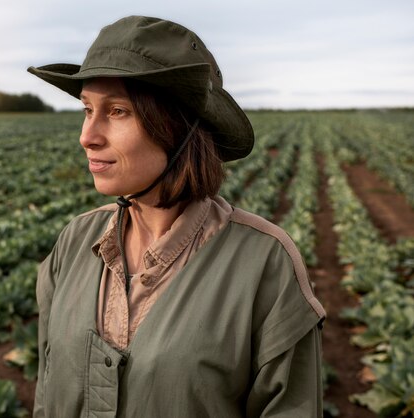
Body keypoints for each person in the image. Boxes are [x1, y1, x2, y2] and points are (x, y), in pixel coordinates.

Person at [28, 15, 325, 418]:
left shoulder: (265, 262)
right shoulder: (75, 241)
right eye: (87, 109)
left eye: (116, 111)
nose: (88, 136)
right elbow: (47, 395)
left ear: (177, 127)